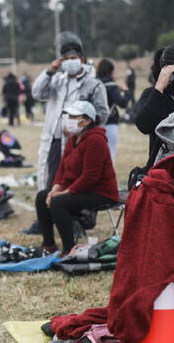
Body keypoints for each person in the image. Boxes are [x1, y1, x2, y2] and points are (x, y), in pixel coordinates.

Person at [23, 32, 109, 235]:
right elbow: (36, 93)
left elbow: (102, 113)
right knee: (50, 181)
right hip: (53, 139)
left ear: (82, 59)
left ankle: (76, 222)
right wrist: (49, 71)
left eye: (74, 58)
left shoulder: (93, 83)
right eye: (66, 59)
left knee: (73, 182)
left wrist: (79, 126)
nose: (70, 62)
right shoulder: (57, 80)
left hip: (78, 142)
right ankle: (44, 218)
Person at [35, 101, 119, 255]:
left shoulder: (96, 140)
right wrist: (54, 189)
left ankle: (69, 249)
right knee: (42, 196)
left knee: (59, 203)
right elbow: (62, 170)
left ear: (87, 121)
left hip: (100, 192)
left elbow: (90, 177)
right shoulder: (73, 139)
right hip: (80, 188)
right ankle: (48, 245)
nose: (68, 119)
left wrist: (64, 193)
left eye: (73, 116)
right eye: (68, 115)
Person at [97, 59, 131, 163]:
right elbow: (123, 103)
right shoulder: (112, 87)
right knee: (110, 153)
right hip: (110, 123)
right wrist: (126, 92)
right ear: (110, 71)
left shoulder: (94, 85)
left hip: (95, 124)